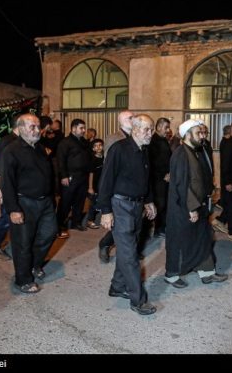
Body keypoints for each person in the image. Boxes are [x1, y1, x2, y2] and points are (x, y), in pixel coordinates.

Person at [97, 114, 157, 316]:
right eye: (147, 129)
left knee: (127, 251)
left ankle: (117, 286)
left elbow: (146, 179)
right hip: (120, 206)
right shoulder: (118, 149)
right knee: (130, 255)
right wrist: (105, 211)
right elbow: (105, 181)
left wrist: (148, 201)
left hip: (137, 206)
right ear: (135, 129)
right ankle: (138, 300)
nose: (151, 133)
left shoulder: (144, 151)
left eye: (152, 129)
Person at [164, 119, 228, 288]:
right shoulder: (180, 154)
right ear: (187, 134)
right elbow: (182, 185)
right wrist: (191, 208)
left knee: (203, 238)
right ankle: (171, 275)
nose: (201, 136)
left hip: (199, 205)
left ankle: (206, 272)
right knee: (179, 242)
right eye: (198, 133)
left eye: (202, 133)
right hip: (183, 208)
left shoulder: (194, 151)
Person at [1, 114, 57, 293]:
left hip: (45, 202)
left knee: (50, 233)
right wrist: (13, 209)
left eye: (38, 126)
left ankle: (34, 264)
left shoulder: (40, 149)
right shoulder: (11, 150)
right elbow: (7, 182)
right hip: (23, 202)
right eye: (32, 126)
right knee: (22, 243)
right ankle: (23, 280)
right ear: (21, 128)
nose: (36, 130)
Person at [98, 110, 134, 262]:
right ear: (121, 121)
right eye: (130, 118)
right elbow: (109, 165)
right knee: (121, 222)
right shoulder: (114, 138)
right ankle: (105, 244)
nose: (133, 120)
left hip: (133, 186)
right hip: (119, 186)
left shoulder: (135, 136)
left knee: (133, 222)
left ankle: (130, 250)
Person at [0, 118, 19, 261]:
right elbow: (0, 169)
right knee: (6, 218)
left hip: (19, 186)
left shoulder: (21, 141)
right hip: (8, 187)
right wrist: (3, 190)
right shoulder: (6, 141)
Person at [56, 119, 91, 237]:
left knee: (80, 201)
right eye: (81, 128)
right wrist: (64, 176)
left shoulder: (84, 142)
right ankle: (59, 224)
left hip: (83, 177)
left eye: (84, 128)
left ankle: (76, 222)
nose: (84, 131)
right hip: (70, 177)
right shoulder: (65, 143)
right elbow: (61, 161)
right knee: (66, 201)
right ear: (73, 128)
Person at [148, 117, 171, 238]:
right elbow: (153, 162)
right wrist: (164, 175)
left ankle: (161, 227)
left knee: (164, 204)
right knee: (159, 204)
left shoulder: (163, 140)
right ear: (158, 127)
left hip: (165, 178)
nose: (168, 130)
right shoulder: (153, 141)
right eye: (166, 127)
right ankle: (157, 229)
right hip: (157, 179)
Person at [83, 138, 104, 229]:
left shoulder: (104, 158)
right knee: (94, 204)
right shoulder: (93, 160)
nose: (98, 147)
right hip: (94, 186)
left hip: (102, 185)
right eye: (96, 146)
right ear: (93, 149)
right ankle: (89, 221)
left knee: (102, 202)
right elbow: (91, 174)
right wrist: (90, 187)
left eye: (100, 145)